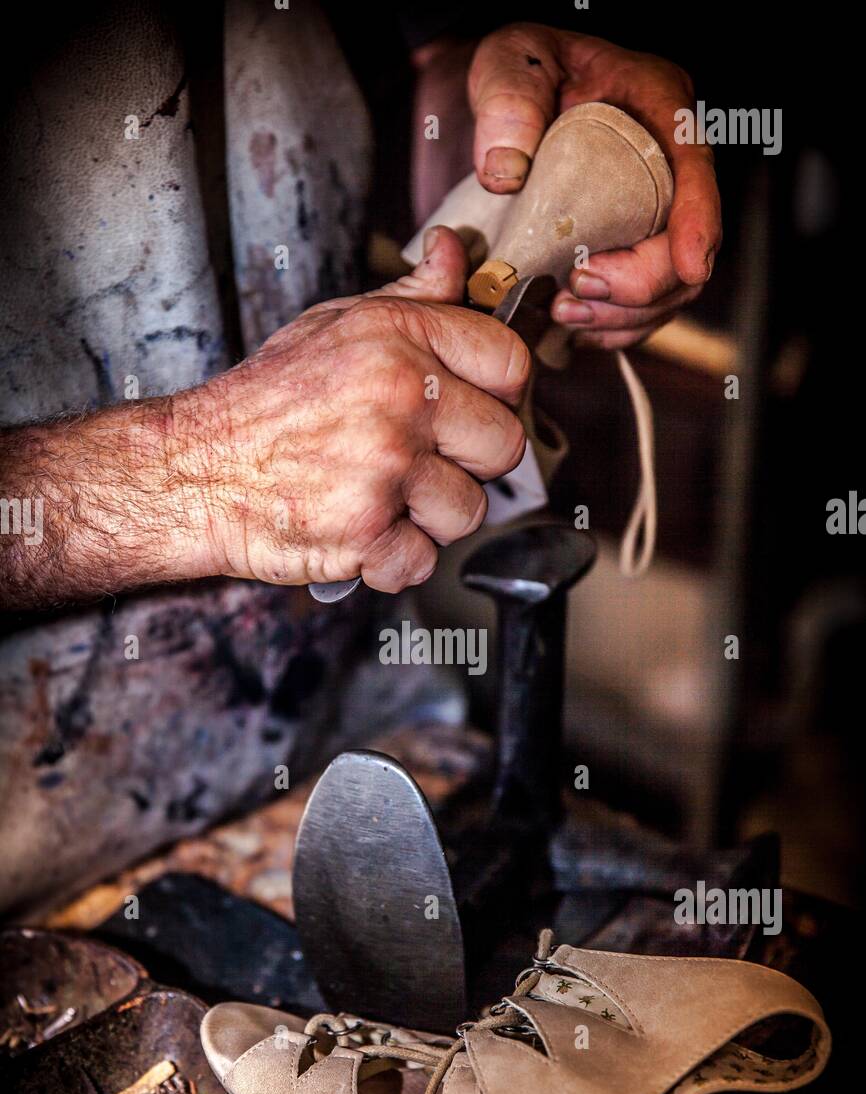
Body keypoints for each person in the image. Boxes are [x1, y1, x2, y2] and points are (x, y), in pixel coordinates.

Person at [0, 3, 720, 914]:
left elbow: (365, 88)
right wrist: (206, 472)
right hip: (33, 882)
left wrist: (484, 129)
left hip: (352, 759)